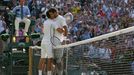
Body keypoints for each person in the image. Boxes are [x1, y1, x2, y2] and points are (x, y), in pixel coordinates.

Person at [38, 10, 65, 75]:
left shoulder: (45, 22)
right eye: (53, 14)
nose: (54, 15)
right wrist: (63, 29)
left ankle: (39, 73)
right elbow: (60, 31)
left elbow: (43, 30)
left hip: (43, 41)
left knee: (42, 58)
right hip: (48, 43)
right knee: (50, 59)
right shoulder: (53, 23)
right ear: (50, 15)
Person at [47, 7, 68, 75]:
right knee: (52, 60)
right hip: (51, 42)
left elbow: (65, 28)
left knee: (58, 60)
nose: (51, 15)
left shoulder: (61, 19)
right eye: (50, 14)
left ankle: (60, 73)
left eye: (52, 14)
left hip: (59, 42)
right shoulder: (50, 19)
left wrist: (64, 38)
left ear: (55, 12)